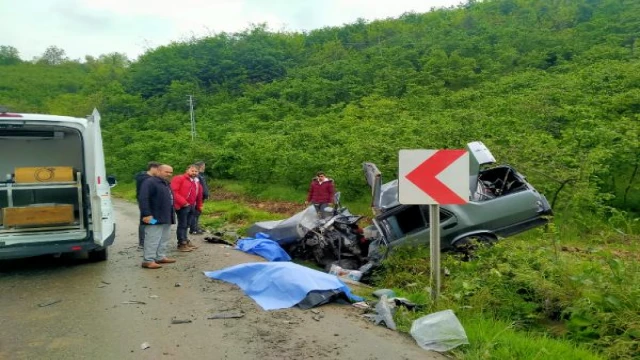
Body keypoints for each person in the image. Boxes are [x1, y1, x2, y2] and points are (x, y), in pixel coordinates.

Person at [138, 164, 176, 269]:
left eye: (170, 172)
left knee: (164, 238)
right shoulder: (149, 182)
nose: (169, 174)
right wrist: (146, 214)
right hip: (154, 217)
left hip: (166, 217)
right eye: (166, 172)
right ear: (159, 171)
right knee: (153, 237)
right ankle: (148, 260)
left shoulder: (166, 183)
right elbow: (143, 198)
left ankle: (160, 256)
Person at [171, 164, 203, 252]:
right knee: (182, 224)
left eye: (196, 171)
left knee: (187, 224)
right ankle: (181, 243)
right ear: (187, 170)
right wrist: (183, 202)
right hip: (182, 205)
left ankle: (185, 240)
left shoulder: (196, 181)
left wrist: (199, 205)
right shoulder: (179, 178)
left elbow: (199, 194)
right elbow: (173, 192)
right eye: (192, 171)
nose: (194, 173)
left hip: (192, 205)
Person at [135, 161, 160, 249]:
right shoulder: (144, 178)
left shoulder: (152, 177)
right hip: (145, 202)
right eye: (158, 169)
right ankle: (142, 242)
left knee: (153, 220)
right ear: (153, 168)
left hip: (153, 202)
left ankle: (150, 239)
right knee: (145, 221)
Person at [189, 161, 209, 235]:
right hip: (197, 198)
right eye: (203, 166)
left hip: (201, 197)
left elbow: (204, 187)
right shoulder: (197, 176)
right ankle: (193, 229)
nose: (204, 167)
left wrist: (206, 195)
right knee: (195, 213)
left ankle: (196, 227)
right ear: (200, 166)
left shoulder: (201, 176)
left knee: (198, 212)